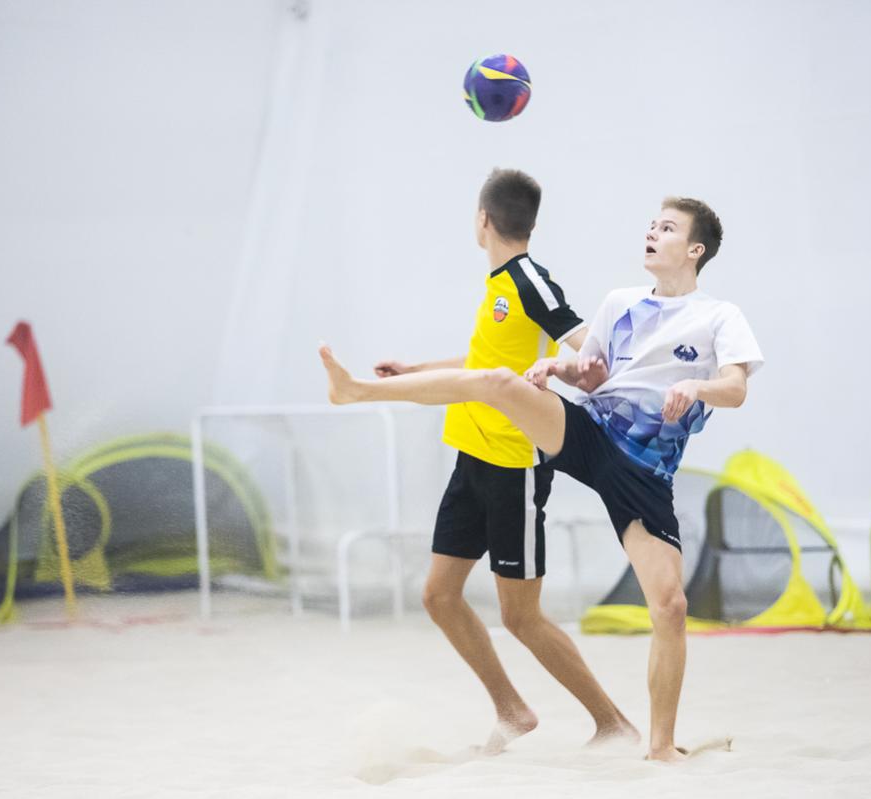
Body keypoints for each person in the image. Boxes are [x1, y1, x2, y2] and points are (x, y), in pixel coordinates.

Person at [320, 196, 763, 762]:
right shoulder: (621, 302)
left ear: (695, 249)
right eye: (652, 224)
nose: (652, 233)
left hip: (643, 471)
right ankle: (358, 391)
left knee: (670, 606)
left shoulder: (719, 316)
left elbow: (736, 388)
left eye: (668, 228)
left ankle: (658, 749)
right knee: (499, 383)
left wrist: (696, 386)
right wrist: (559, 367)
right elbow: (592, 372)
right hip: (590, 432)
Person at [373, 168, 636, 754]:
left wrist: (587, 371)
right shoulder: (498, 286)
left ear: (482, 220)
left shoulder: (530, 279)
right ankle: (512, 710)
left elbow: (586, 343)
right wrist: (415, 369)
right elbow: (481, 364)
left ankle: (613, 723)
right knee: (439, 596)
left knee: (520, 616)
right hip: (471, 457)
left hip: (515, 468)